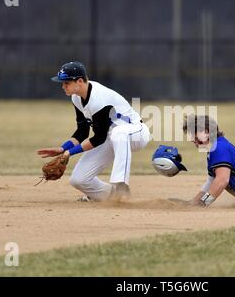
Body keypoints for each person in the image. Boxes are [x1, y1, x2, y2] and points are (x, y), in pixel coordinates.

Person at [37, 61, 150, 201]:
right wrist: (63, 148)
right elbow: (82, 131)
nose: (63, 86)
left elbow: (98, 138)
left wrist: (69, 153)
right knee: (78, 180)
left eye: (66, 83)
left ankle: (121, 183)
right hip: (110, 138)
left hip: (135, 133)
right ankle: (113, 196)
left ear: (79, 81)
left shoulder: (98, 99)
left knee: (118, 133)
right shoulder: (76, 98)